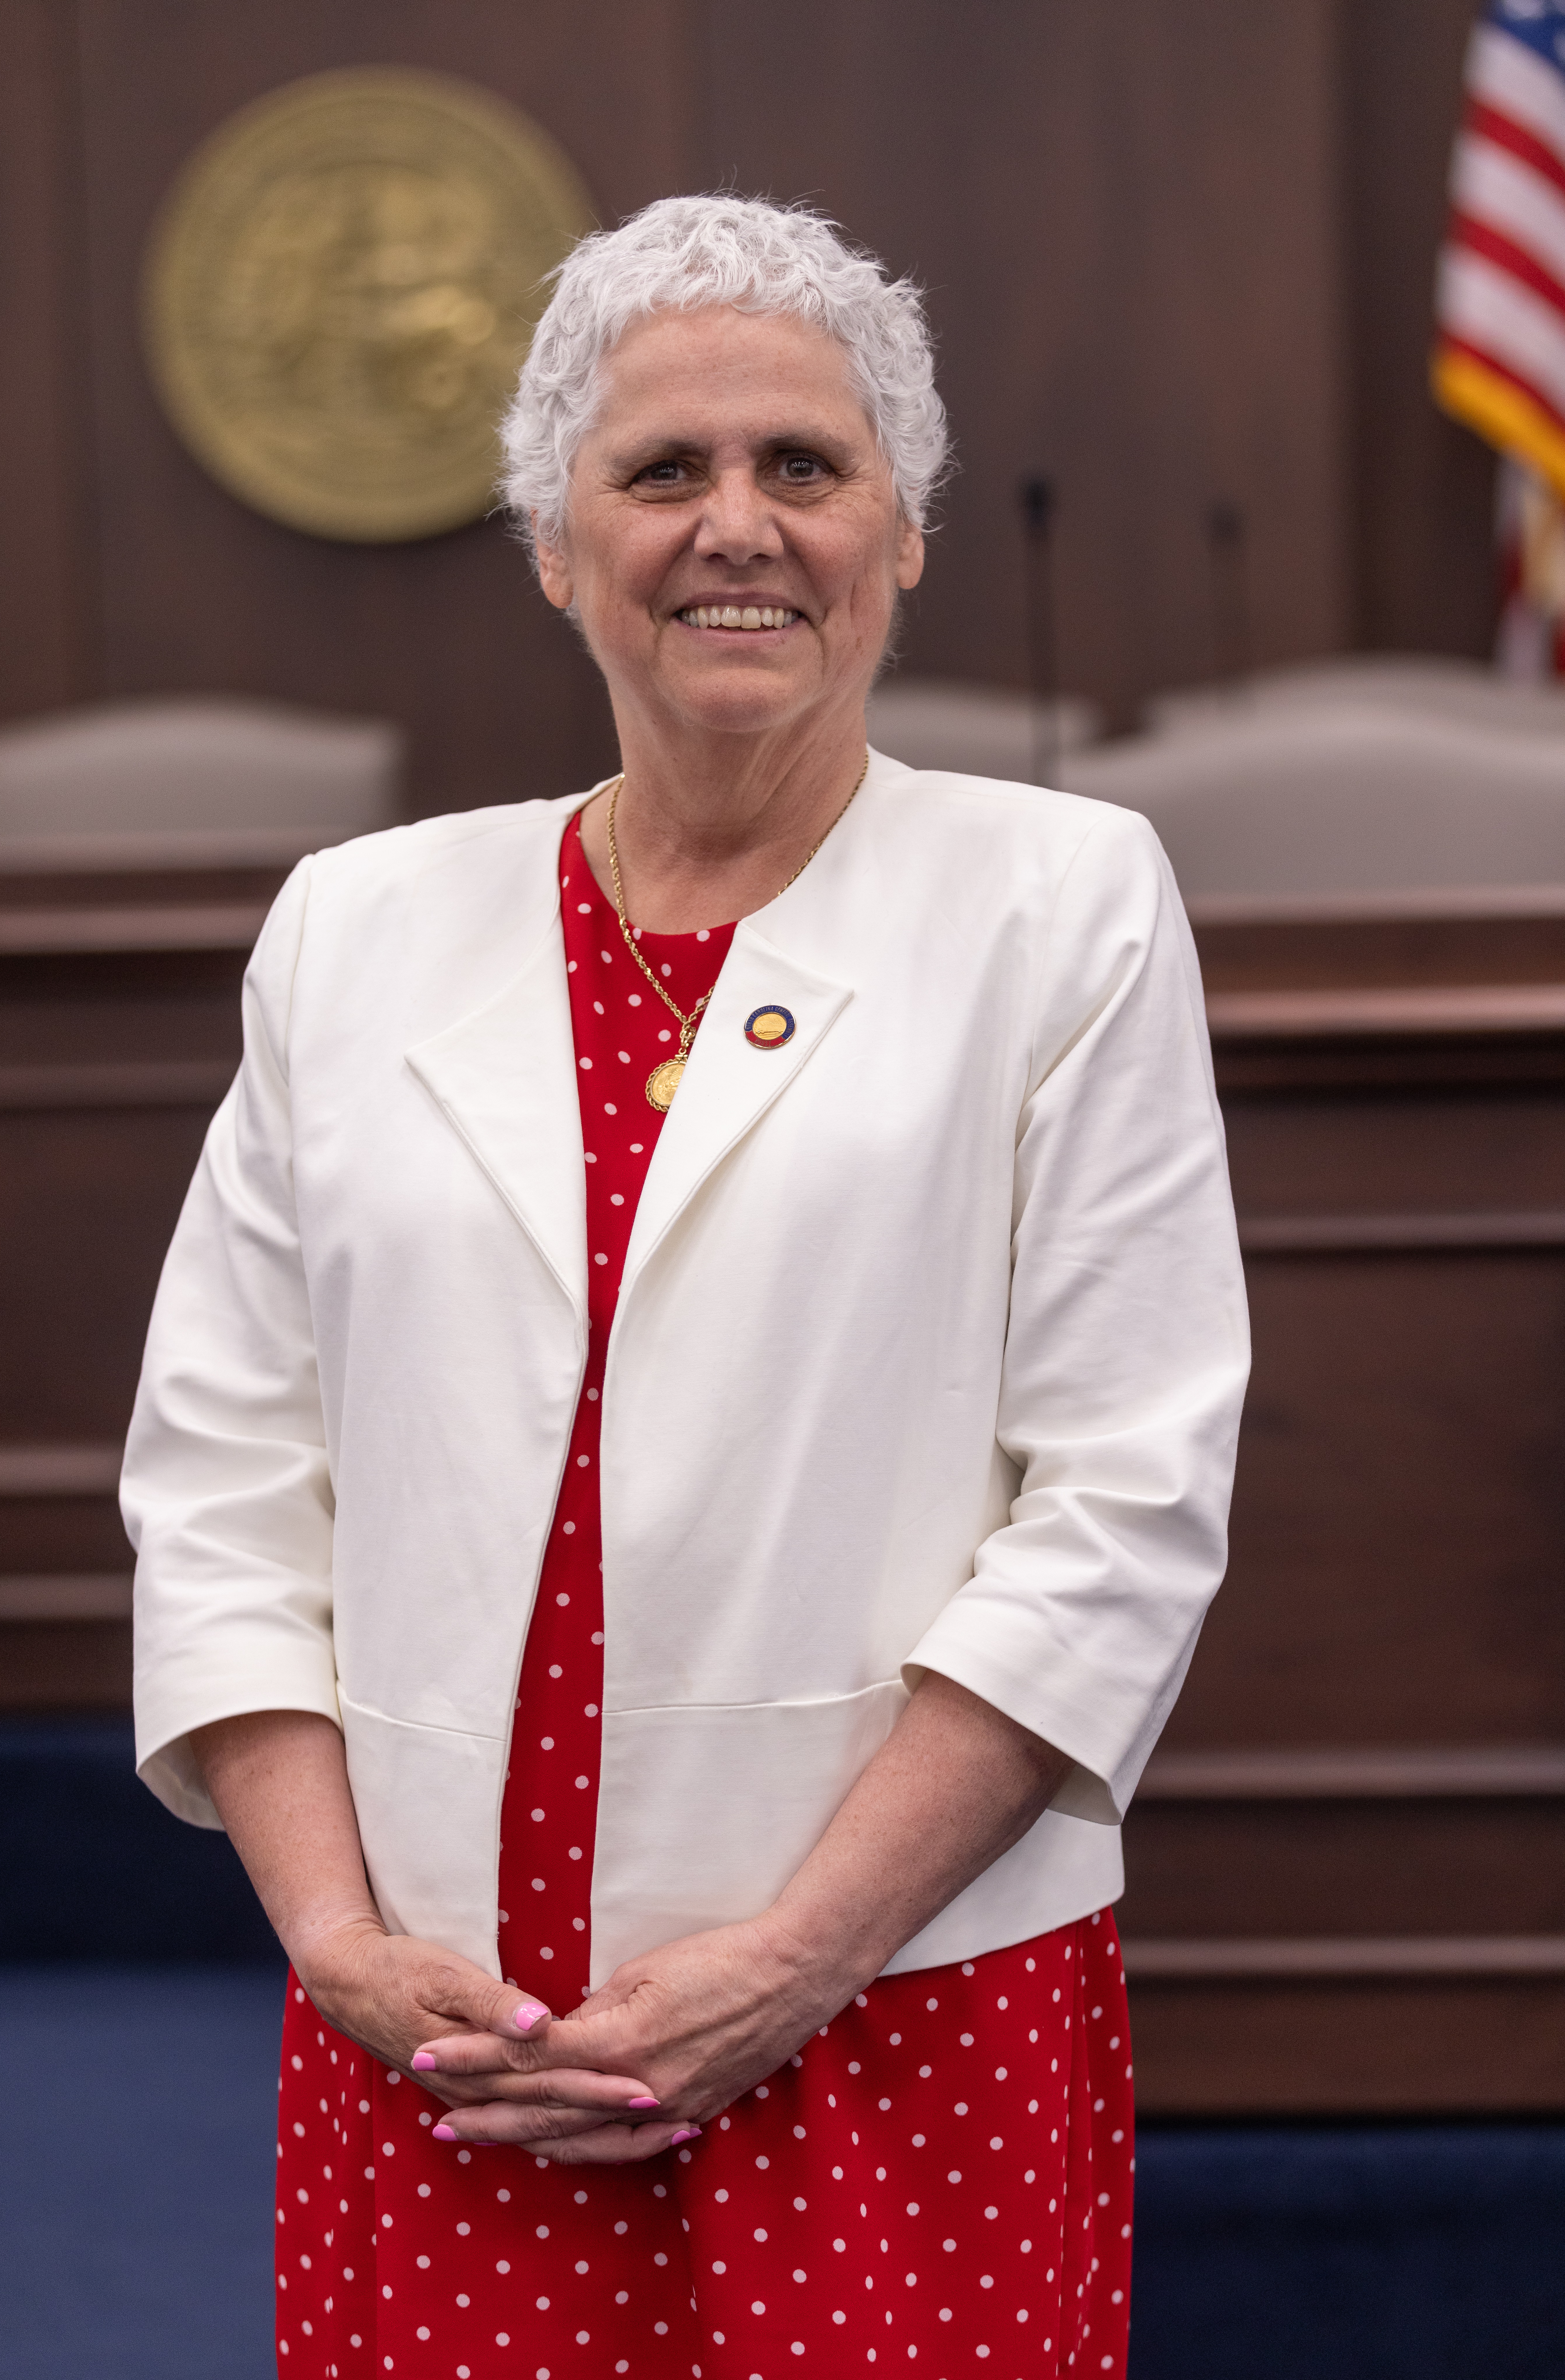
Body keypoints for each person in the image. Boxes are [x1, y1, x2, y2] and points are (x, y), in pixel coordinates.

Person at [123, 194, 1248, 2380]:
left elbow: (1120, 1505)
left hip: (888, 2018)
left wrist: (795, 1960)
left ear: (899, 536)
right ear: (558, 546)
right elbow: (228, 1484)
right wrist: (336, 1938)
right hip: (440, 2030)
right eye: (661, 474)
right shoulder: (353, 928)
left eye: (802, 469)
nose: (736, 527)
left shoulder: (1061, 902)